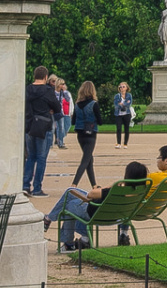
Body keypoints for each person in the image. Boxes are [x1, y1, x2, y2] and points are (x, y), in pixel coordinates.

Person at [45, 161, 147, 251]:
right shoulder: (140, 192)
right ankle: (53, 223)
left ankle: (65, 238)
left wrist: (110, 186)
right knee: (70, 195)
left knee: (69, 201)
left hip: (94, 214)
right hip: (117, 217)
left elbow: (90, 194)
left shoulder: (115, 190)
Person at [23, 65, 58, 195]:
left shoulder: (28, 89)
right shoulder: (47, 90)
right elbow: (57, 107)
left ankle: (25, 185)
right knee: (41, 157)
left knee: (30, 157)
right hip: (44, 125)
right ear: (45, 77)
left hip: (30, 125)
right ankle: (37, 188)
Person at [70, 81, 101, 188]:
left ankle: (94, 184)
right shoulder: (94, 104)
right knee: (85, 160)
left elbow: (73, 121)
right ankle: (74, 184)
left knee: (89, 159)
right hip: (90, 133)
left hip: (80, 133)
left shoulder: (77, 104)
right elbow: (100, 120)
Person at [112, 82, 134, 147]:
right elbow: (116, 105)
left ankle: (125, 143)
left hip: (127, 113)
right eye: (120, 87)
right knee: (118, 128)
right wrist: (123, 104)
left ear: (126, 88)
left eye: (123, 87)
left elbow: (129, 104)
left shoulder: (129, 95)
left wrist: (122, 104)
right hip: (118, 114)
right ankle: (118, 143)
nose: (122, 88)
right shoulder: (117, 96)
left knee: (126, 129)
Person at [53, 77, 72, 149]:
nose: (63, 85)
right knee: (52, 128)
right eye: (62, 84)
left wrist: (64, 91)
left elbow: (68, 99)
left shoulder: (63, 92)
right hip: (53, 111)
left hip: (60, 112)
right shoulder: (53, 92)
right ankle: (51, 143)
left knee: (61, 127)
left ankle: (60, 143)